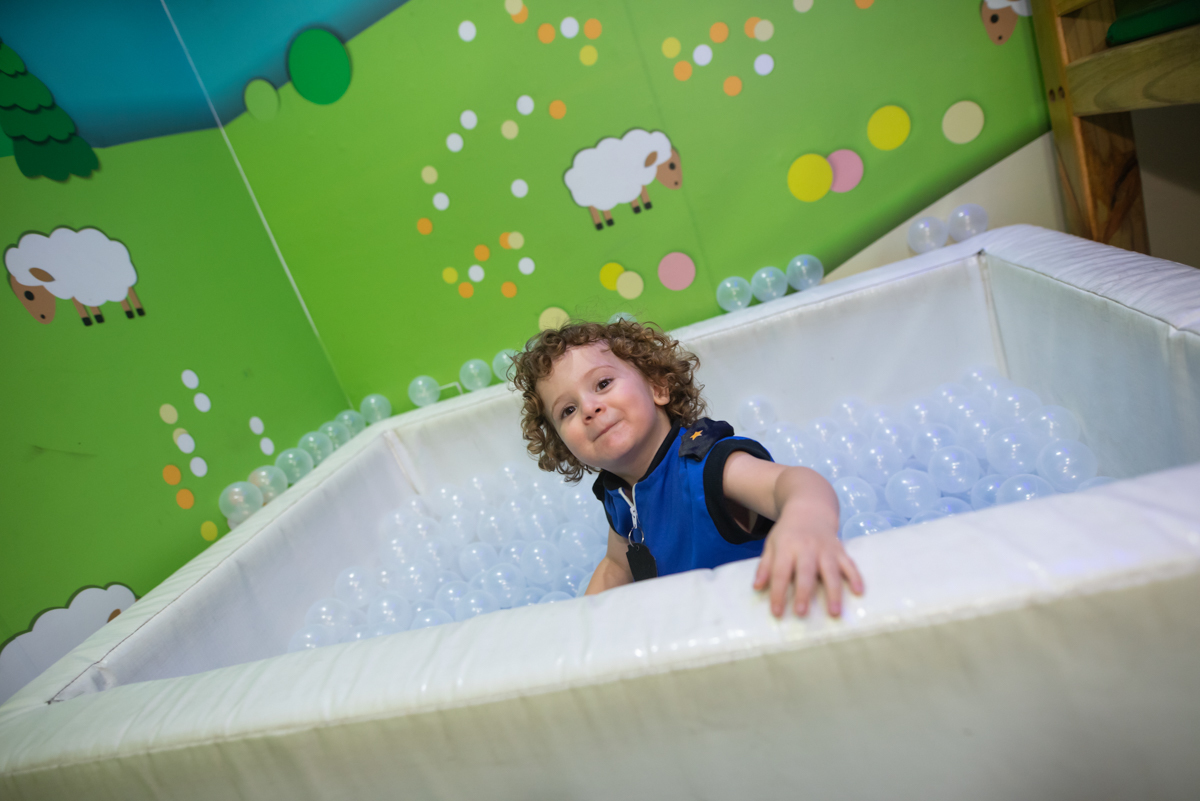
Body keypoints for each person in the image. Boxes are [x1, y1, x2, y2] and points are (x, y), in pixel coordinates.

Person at [510, 319, 863, 618]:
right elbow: (617, 566)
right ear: (564, 446)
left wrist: (805, 522)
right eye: (568, 411)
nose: (589, 409)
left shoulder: (706, 467)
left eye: (603, 384)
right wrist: (581, 624)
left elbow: (792, 483)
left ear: (657, 387)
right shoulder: (617, 493)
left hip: (766, 615)